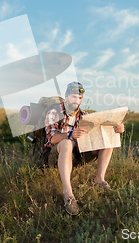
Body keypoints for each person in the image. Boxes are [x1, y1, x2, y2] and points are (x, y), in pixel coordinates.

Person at [44, 81, 125, 215]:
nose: (77, 100)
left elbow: (99, 132)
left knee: (107, 139)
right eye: (74, 97)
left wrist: (115, 128)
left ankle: (99, 179)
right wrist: (70, 134)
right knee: (67, 143)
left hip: (77, 155)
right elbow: (52, 138)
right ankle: (68, 193)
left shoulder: (84, 116)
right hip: (55, 156)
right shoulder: (54, 112)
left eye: (80, 98)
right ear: (67, 96)